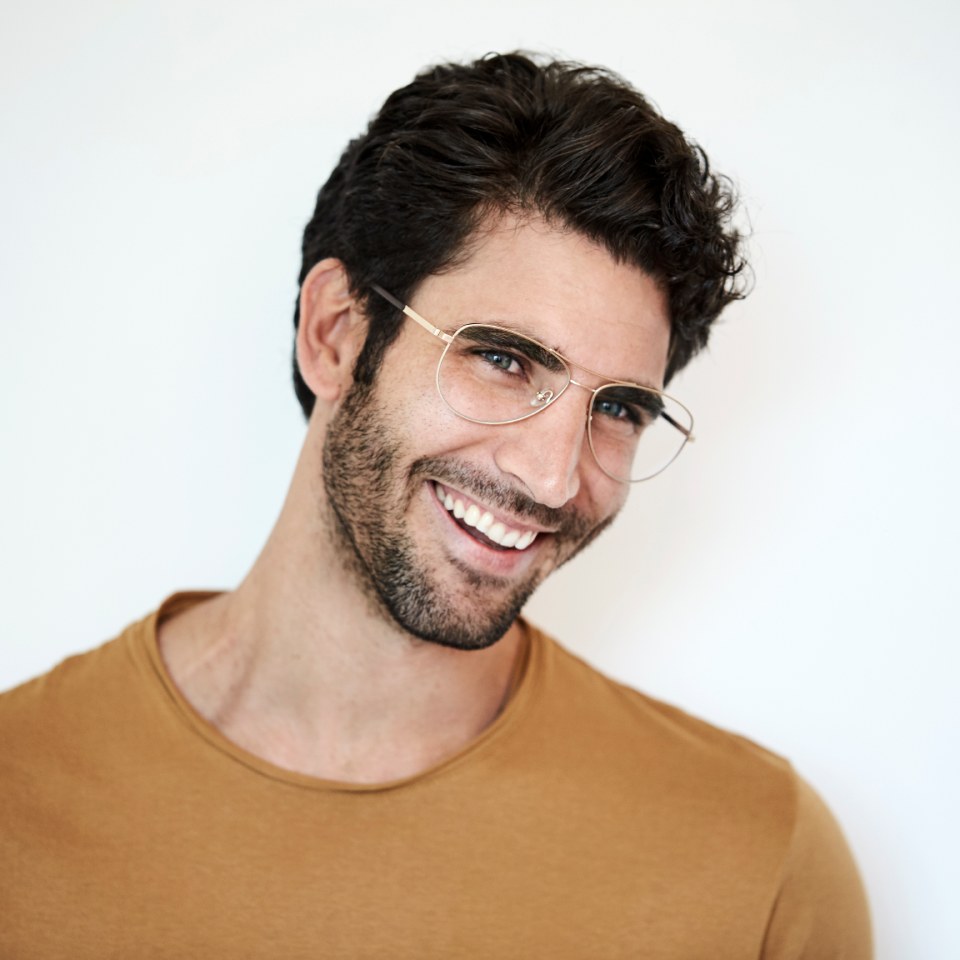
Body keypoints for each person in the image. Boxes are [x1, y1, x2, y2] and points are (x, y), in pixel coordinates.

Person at [0, 52, 871, 957]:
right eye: (503, 358)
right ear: (335, 333)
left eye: (617, 409)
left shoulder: (760, 857)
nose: (552, 478)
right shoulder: (19, 796)